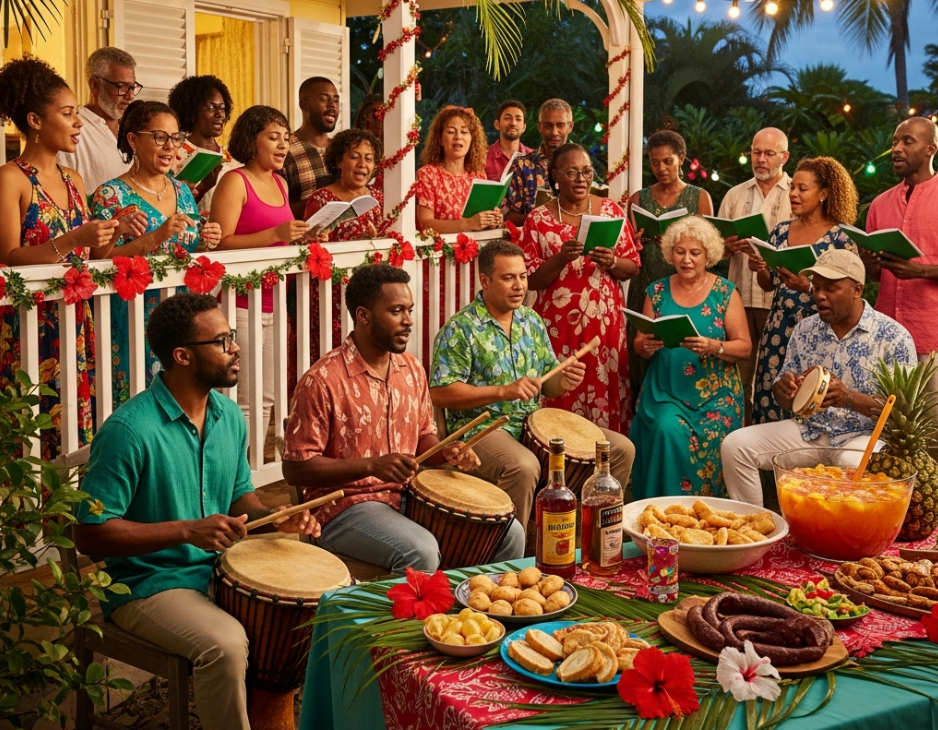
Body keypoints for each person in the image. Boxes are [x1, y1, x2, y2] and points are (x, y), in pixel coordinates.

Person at [74, 293, 319, 730]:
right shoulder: (129, 431)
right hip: (146, 585)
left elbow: (241, 495)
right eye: (223, 340)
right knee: (224, 644)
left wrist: (274, 520)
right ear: (182, 356)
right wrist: (187, 531)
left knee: (315, 607)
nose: (236, 347)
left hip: (218, 571)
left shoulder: (229, 415)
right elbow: (90, 534)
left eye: (232, 337)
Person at [282, 265, 524, 571]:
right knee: (420, 550)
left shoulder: (411, 369)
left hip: (409, 496)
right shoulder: (323, 379)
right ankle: (426, 620)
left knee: (508, 531)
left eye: (409, 310)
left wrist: (445, 452)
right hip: (343, 508)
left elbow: (424, 436)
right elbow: (295, 469)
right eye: (396, 311)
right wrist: (372, 465)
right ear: (363, 315)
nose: (408, 320)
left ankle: (481, 615)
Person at [429, 240, 635, 528]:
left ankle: (588, 541)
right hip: (484, 430)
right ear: (485, 281)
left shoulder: (531, 320)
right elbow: (439, 393)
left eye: (523, 277)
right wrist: (503, 391)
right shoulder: (460, 328)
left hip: (535, 425)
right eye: (508, 277)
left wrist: (564, 379)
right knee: (524, 466)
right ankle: (514, 555)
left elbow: (548, 383)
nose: (519, 286)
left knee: (620, 448)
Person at [722, 249, 917, 506]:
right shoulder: (805, 329)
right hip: (810, 430)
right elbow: (785, 400)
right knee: (736, 445)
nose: (819, 296)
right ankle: (754, 528)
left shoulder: (894, 337)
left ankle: (843, 541)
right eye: (816, 287)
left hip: (864, 437)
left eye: (831, 288)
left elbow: (904, 413)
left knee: (849, 465)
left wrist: (849, 398)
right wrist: (784, 389)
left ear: (857, 290)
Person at [0, 56, 122, 459]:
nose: (78, 123)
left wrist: (114, 228)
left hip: (73, 317)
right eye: (67, 114)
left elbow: (91, 249)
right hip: (28, 324)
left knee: (73, 420)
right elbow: (9, 256)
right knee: (30, 426)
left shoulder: (75, 180)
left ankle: (68, 514)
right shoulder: (11, 178)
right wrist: (72, 240)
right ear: (35, 120)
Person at [91, 100, 220, 407]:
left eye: (176, 139)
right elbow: (99, 259)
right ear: (134, 140)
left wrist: (206, 241)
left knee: (185, 399)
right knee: (136, 399)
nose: (170, 147)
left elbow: (186, 247)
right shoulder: (111, 195)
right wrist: (156, 236)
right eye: (160, 137)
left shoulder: (183, 191)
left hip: (182, 316)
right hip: (132, 316)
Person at [521, 143, 640, 433]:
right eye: (572, 172)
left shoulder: (610, 211)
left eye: (586, 172)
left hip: (605, 329)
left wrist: (612, 261)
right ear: (555, 176)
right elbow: (531, 280)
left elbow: (633, 265)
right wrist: (561, 257)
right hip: (558, 329)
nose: (581, 179)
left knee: (604, 393)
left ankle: (605, 467)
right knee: (562, 391)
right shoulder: (538, 220)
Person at [629, 216, 750, 499]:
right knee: (667, 428)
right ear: (670, 253)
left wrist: (714, 346)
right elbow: (639, 343)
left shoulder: (724, 292)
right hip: (665, 392)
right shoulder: (656, 291)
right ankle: (660, 512)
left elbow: (744, 347)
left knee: (709, 431)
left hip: (716, 394)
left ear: (709, 255)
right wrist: (646, 346)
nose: (687, 259)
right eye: (680, 252)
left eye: (695, 253)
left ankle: (706, 516)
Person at [211, 105, 309, 437]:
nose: (283, 146)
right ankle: (240, 471)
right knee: (244, 397)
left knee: (268, 394)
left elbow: (281, 240)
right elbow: (221, 243)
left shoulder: (281, 183)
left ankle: (257, 466)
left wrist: (301, 237)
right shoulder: (234, 181)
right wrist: (276, 235)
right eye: (273, 137)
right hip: (241, 304)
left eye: (286, 138)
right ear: (252, 141)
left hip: (276, 300)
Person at [747, 156, 858, 424]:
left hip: (819, 330)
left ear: (824, 194)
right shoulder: (781, 231)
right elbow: (769, 285)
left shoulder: (842, 238)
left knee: (811, 404)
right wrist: (761, 267)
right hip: (777, 330)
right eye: (792, 188)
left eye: (802, 189)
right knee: (771, 400)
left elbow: (850, 294)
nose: (793, 194)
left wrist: (807, 286)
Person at [862, 117, 938, 452]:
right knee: (887, 437)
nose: (896, 149)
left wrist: (919, 271)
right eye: (894, 142)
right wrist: (869, 263)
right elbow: (877, 276)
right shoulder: (879, 204)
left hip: (931, 339)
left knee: (931, 438)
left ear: (930, 149)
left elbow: (914, 270)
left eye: (908, 142)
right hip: (885, 338)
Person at [627, 130, 714, 409]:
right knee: (642, 351)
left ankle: (682, 414)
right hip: (645, 283)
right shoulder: (638, 199)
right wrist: (636, 243)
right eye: (654, 162)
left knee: (678, 352)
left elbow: (709, 250)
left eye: (667, 161)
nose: (661, 168)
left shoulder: (699, 197)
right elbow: (628, 249)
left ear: (681, 160)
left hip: (684, 285)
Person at [718, 127, 793, 424]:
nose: (760, 159)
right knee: (738, 381)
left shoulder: (796, 194)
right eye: (755, 152)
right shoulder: (735, 195)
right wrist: (726, 247)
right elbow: (714, 250)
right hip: (739, 300)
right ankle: (738, 444)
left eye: (768, 153)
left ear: (785, 156)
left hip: (781, 303)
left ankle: (775, 452)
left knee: (778, 379)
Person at [58, 47, 138, 192]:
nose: (130, 96)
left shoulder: (133, 128)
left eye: (132, 87)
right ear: (95, 85)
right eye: (121, 87)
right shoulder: (73, 131)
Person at [415, 106, 502, 233]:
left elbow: (480, 222)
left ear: (472, 139)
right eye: (451, 132)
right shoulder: (427, 174)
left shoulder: (478, 175)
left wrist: (492, 220)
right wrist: (468, 224)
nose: (458, 137)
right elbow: (426, 224)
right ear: (440, 139)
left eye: (464, 132)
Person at [167, 74, 238, 211]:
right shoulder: (173, 154)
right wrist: (202, 189)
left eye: (222, 108)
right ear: (191, 112)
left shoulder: (233, 160)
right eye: (211, 107)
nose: (219, 114)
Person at [304, 128, 384, 242]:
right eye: (354, 157)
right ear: (339, 162)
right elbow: (309, 246)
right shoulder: (320, 199)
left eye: (369, 159)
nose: (362, 164)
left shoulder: (379, 198)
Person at [503, 98, 574, 225]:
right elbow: (507, 214)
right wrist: (541, 222)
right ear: (539, 127)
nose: (554, 132)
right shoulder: (522, 166)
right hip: (531, 241)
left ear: (570, 127)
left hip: (574, 242)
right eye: (548, 125)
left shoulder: (580, 166)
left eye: (560, 125)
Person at [282, 76, 339, 217]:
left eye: (336, 100)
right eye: (324, 99)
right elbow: (277, 211)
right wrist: (320, 201)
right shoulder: (285, 149)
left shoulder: (342, 149)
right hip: (303, 237)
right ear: (304, 105)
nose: (332, 105)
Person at [485, 100, 532, 182]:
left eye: (518, 119)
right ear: (497, 124)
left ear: (524, 127)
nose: (513, 123)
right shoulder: (483, 158)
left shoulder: (534, 159)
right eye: (507, 118)